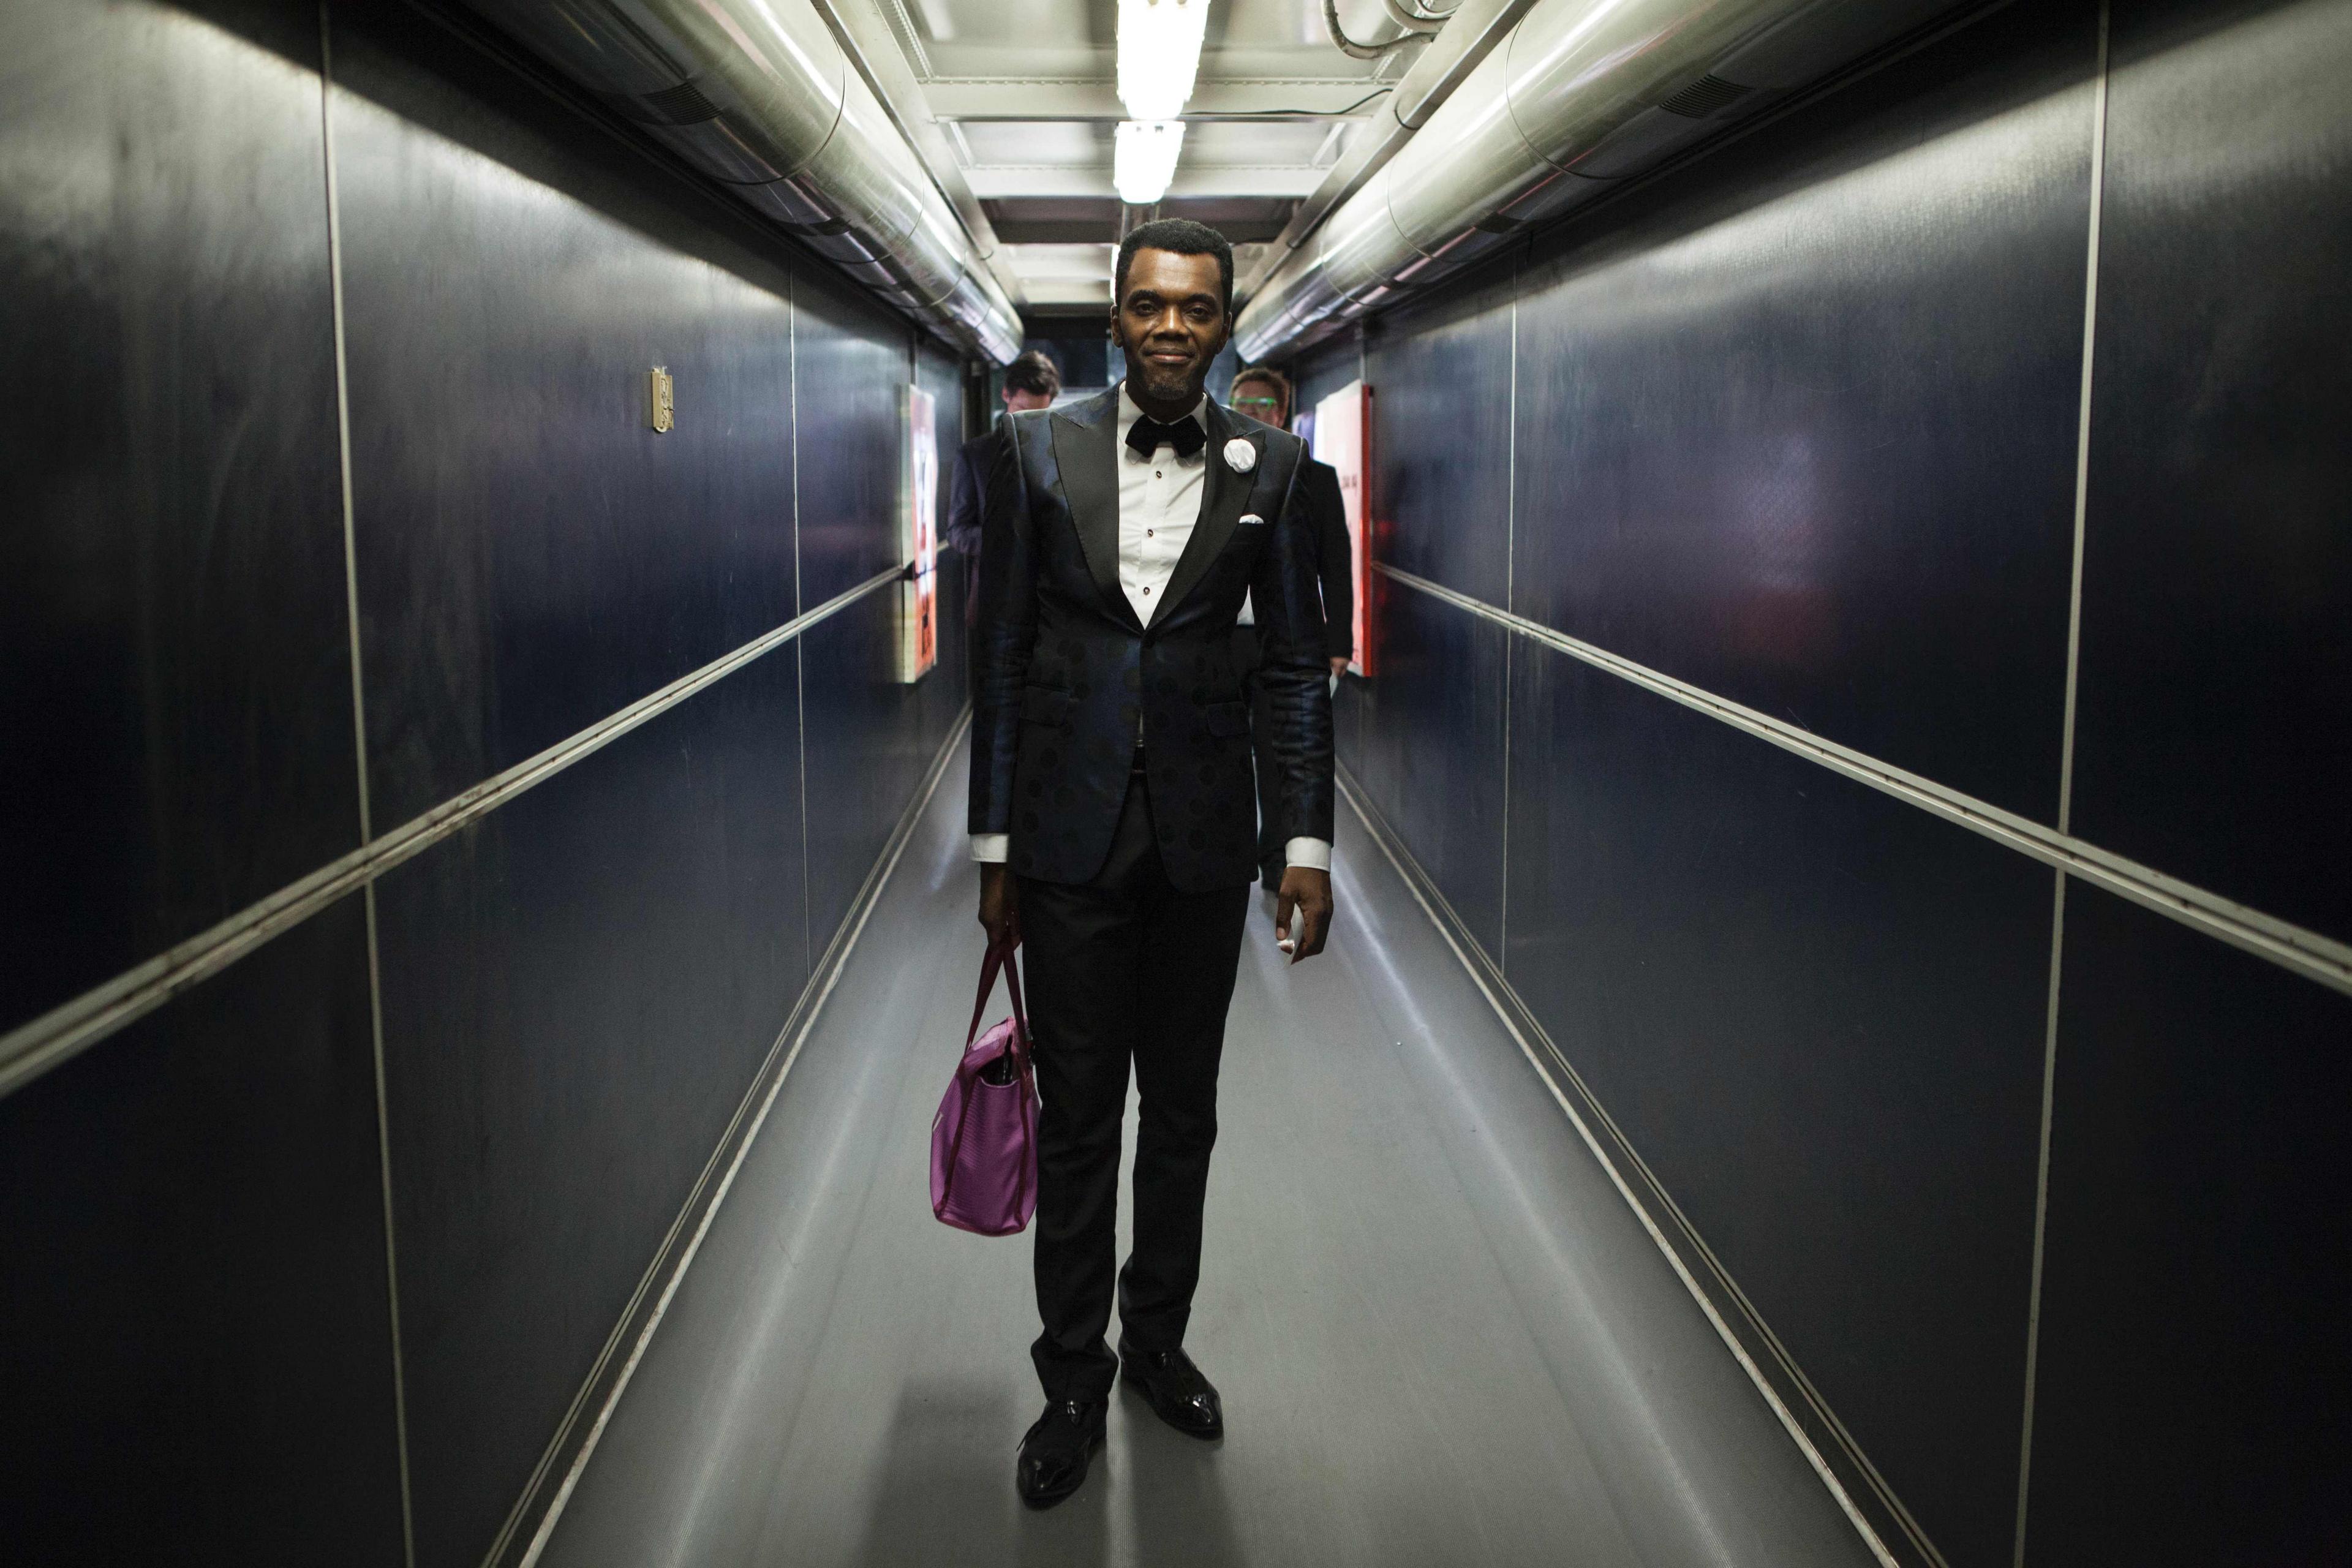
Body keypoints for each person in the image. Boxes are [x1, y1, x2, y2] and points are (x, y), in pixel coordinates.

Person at [968, 217, 1336, 1509]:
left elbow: (1295, 664)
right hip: (1066, 838)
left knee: (1182, 1113)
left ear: (1224, 319)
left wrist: (1301, 842)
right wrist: (996, 845)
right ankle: (1071, 1376)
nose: (1172, 324)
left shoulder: (1276, 467)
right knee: (1079, 1121)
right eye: (1148, 305)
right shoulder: (1031, 448)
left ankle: (1156, 1343)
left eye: (1195, 306)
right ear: (1114, 318)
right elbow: (1001, 652)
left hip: (1199, 838)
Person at [1229, 365, 1355, 890]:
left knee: (1279, 755)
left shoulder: (1315, 477)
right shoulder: (1211, 472)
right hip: (1218, 641)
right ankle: (1226, 860)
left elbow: (1336, 567)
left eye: (1261, 406)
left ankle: (1277, 862)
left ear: (1281, 412)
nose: (1250, 414)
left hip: (1282, 641)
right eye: (1241, 404)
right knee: (1224, 757)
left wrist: (1339, 643)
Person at [946, 350, 1062, 692]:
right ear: (1006, 396)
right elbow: (957, 532)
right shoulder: (975, 456)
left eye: (1041, 414)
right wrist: (1009, 538)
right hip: (994, 605)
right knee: (995, 703)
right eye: (1024, 412)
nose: (1032, 424)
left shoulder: (1060, 453)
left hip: (1053, 606)